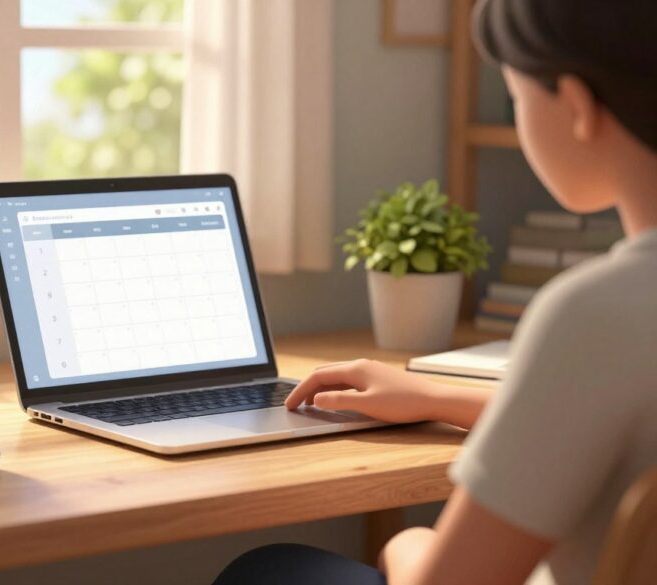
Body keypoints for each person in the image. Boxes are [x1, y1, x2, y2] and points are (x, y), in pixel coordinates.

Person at [213, 0, 657, 583]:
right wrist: (436, 396)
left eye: (518, 97)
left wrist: (407, 544)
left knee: (268, 571)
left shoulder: (595, 315)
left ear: (576, 106)